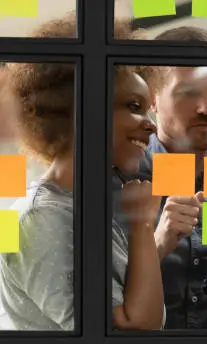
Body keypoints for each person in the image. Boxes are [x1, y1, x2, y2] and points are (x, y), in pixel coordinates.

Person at [0, 14, 165, 331]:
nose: (151, 125)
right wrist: (142, 224)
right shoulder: (43, 218)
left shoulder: (81, 206)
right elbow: (134, 330)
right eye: (133, 106)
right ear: (86, 107)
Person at [112, 26, 207, 330]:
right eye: (187, 93)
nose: (206, 109)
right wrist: (158, 242)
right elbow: (95, 297)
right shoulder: (117, 182)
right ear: (151, 99)